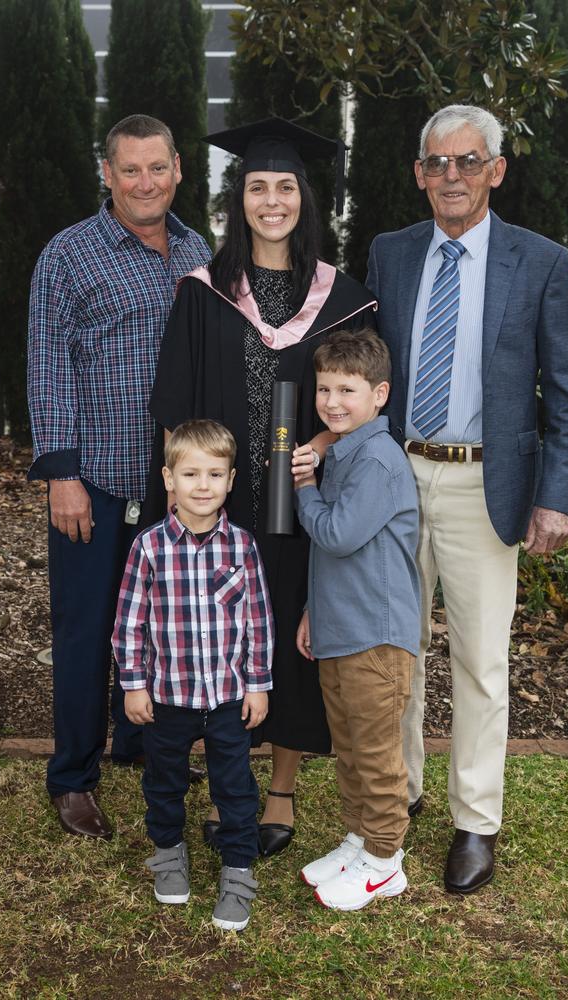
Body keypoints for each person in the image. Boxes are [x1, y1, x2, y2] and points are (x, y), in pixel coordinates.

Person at [366, 104, 568, 893]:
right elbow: (365, 373)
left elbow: (567, 394)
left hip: (485, 483)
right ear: (419, 173)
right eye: (437, 162)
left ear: (496, 170)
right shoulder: (390, 254)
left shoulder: (538, 262)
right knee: (395, 651)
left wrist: (556, 496)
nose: (451, 177)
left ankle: (475, 821)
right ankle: (404, 792)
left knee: (481, 662)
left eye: (468, 162)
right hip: (395, 478)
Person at [145, 118, 377, 857]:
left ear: (304, 198)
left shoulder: (343, 297)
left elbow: (369, 402)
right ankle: (225, 781)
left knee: (289, 636)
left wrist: (320, 443)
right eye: (256, 188)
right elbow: (175, 408)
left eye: (284, 187)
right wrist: (186, 501)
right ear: (236, 198)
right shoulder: (206, 292)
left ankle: (281, 792)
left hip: (305, 509)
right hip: (221, 509)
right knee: (219, 635)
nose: (271, 201)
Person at [27, 114, 211, 840]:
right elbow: (46, 366)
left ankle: (139, 739)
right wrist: (61, 474)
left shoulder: (197, 251)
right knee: (87, 631)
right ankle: (73, 774)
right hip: (96, 481)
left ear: (177, 171)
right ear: (107, 173)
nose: (144, 183)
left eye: (157, 168)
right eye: (129, 170)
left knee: (159, 629)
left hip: (173, 487)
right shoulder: (69, 255)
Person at [112, 420, 274, 931]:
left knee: (236, 787)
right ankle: (167, 852)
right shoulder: (149, 548)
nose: (202, 486)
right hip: (167, 700)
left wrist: (258, 683)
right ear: (168, 479)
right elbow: (129, 622)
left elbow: (258, 621)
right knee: (164, 782)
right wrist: (133, 685)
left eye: (214, 474)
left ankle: (238, 869)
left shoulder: (242, 547)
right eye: (190, 474)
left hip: (228, 698)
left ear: (230, 481)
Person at [292, 329, 419, 911]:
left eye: (348, 388)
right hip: (342, 626)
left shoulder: (378, 459)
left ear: (380, 394)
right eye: (324, 389)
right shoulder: (345, 450)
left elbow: (338, 535)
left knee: (375, 753)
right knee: (347, 745)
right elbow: (338, 558)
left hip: (376, 636)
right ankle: (359, 840)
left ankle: (386, 861)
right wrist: (313, 610)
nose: (333, 401)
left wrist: (304, 490)